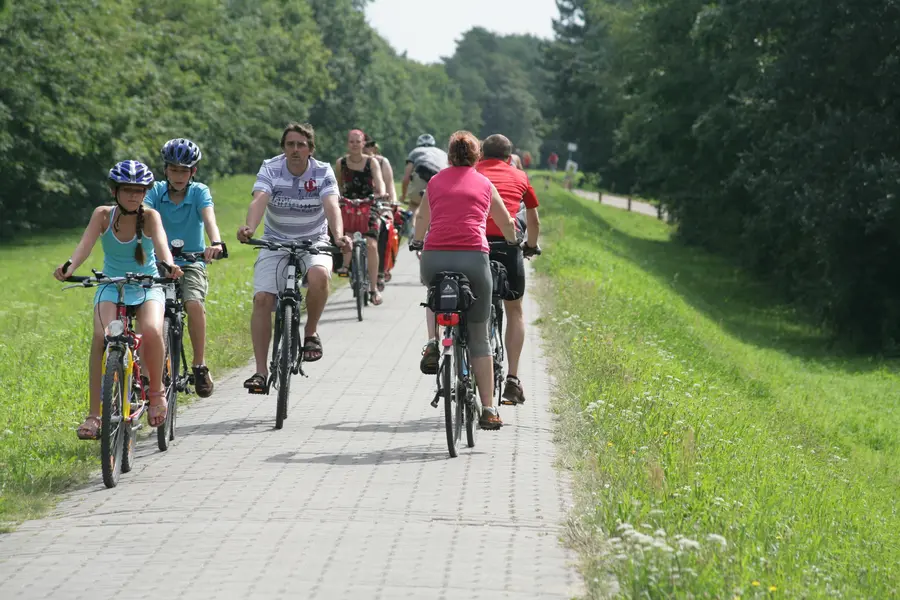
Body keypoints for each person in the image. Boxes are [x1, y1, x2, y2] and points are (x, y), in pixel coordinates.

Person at [54, 161, 183, 439]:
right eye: (127, 190)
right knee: (101, 336)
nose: (133, 196)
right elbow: (84, 246)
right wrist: (69, 267)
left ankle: (157, 393)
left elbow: (161, 244)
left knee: (150, 330)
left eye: (139, 191)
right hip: (111, 284)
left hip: (148, 284)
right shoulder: (102, 215)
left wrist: (169, 266)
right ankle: (94, 415)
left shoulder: (150, 217)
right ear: (115, 191)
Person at [411, 131, 519, 430]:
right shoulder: (484, 183)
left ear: (449, 156)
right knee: (479, 336)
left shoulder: (435, 181)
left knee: (434, 291)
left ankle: (433, 342)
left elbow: (422, 219)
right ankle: (488, 408)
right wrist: (513, 240)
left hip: (435, 258)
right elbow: (505, 221)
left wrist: (418, 241)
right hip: (473, 259)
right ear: (477, 157)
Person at [237, 123, 351, 394]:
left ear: (311, 149)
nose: (296, 150)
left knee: (320, 275)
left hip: (314, 239)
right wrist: (250, 228)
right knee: (263, 298)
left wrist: (339, 236)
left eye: (301, 145)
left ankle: (310, 332)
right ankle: (261, 372)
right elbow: (260, 198)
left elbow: (331, 205)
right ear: (284, 148)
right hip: (275, 240)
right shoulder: (271, 167)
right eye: (290, 144)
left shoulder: (322, 171)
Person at [144, 138, 224, 398]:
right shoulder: (155, 191)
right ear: (165, 170)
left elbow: (209, 218)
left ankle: (199, 365)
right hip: (159, 262)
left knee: (193, 303)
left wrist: (216, 242)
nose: (178, 176)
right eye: (174, 169)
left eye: (184, 170)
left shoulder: (199, 191)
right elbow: (142, 215)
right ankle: (145, 371)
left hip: (191, 262)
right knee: (146, 311)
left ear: (193, 172)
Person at [476, 134, 541, 406]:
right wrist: (531, 246)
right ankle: (512, 379)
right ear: (508, 156)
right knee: (514, 310)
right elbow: (533, 219)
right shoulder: (521, 177)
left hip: (475, 245)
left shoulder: (472, 171)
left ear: (481, 154)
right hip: (508, 245)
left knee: (475, 308)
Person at [334, 129, 387, 302]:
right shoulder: (341, 163)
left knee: (371, 244)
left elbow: (380, 184)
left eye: (358, 141)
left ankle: (373, 289)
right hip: (348, 206)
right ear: (347, 143)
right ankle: (345, 265)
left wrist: (381, 193)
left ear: (364, 143)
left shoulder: (372, 162)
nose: (355, 145)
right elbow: (336, 186)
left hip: (368, 205)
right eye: (351, 142)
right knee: (346, 237)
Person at [364, 134, 402, 282]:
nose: (365, 149)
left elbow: (390, 185)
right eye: (363, 145)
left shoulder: (381, 162)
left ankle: (381, 270)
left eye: (368, 145)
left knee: (386, 228)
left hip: (380, 203)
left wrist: (392, 203)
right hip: (357, 205)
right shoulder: (349, 162)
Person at [400, 133, 448, 219]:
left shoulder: (415, 151)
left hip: (421, 174)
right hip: (441, 179)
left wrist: (403, 196)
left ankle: (411, 229)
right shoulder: (443, 153)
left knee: (414, 205)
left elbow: (406, 177)